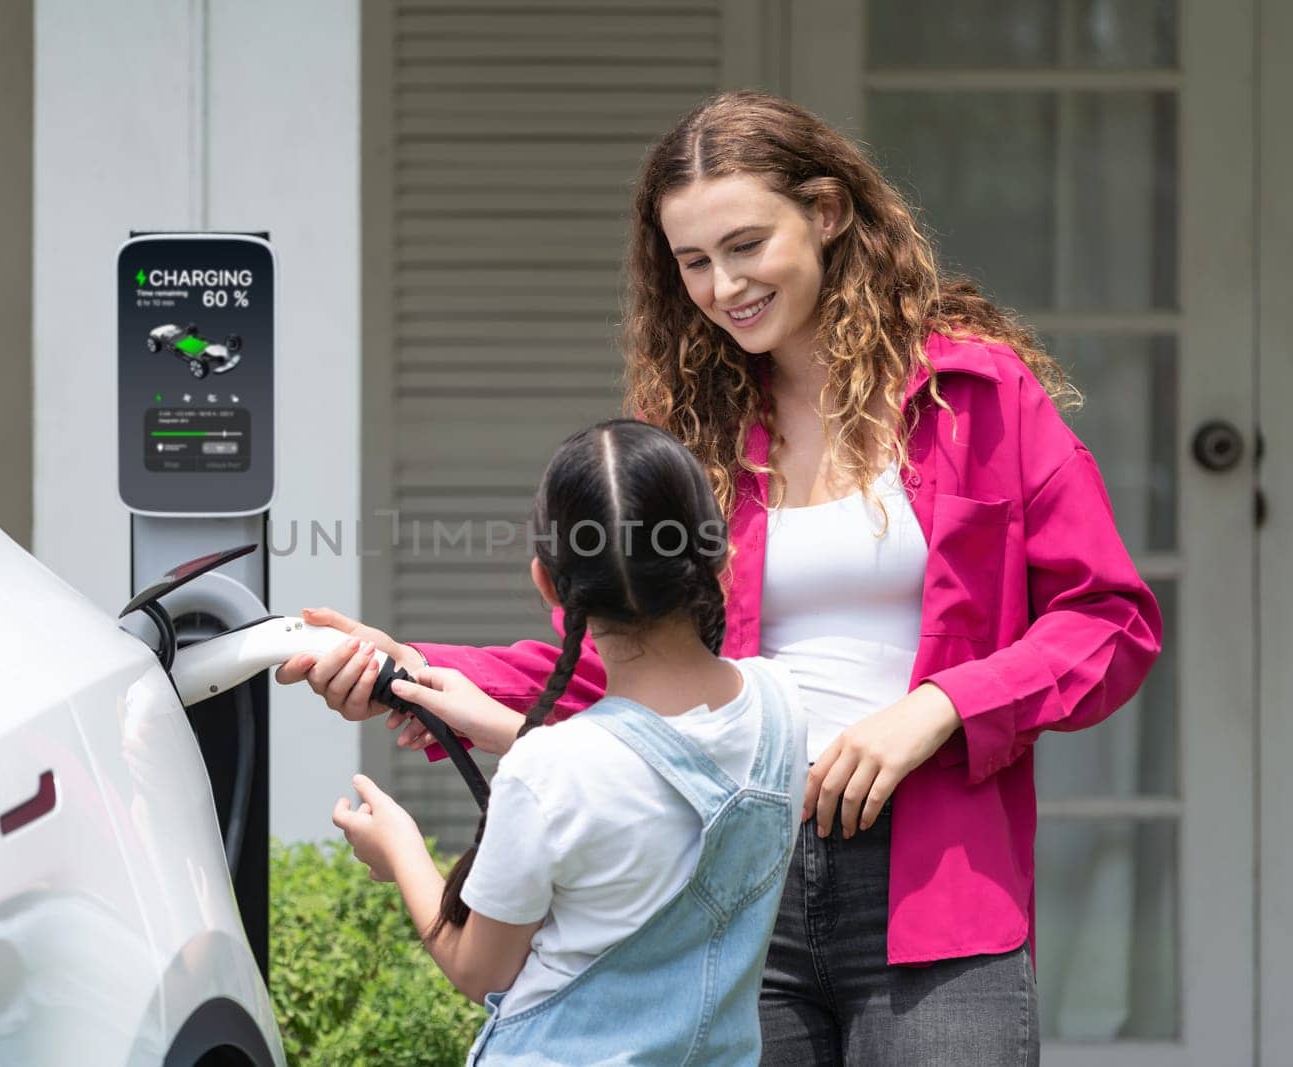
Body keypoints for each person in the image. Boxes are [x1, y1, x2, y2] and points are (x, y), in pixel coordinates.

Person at [281, 91, 1161, 1064]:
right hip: (734, 883)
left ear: (825, 212)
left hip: (938, 884)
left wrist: (938, 706)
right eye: (692, 261)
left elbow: (1109, 623)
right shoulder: (694, 430)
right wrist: (415, 665)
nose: (721, 285)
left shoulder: (975, 398)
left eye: (745, 245)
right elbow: (640, 654)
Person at [325, 419, 808, 1064]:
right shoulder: (780, 706)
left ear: (549, 585)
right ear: (719, 558)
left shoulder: (550, 771)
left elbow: (479, 971)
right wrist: (505, 729)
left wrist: (400, 853)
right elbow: (653, 771)